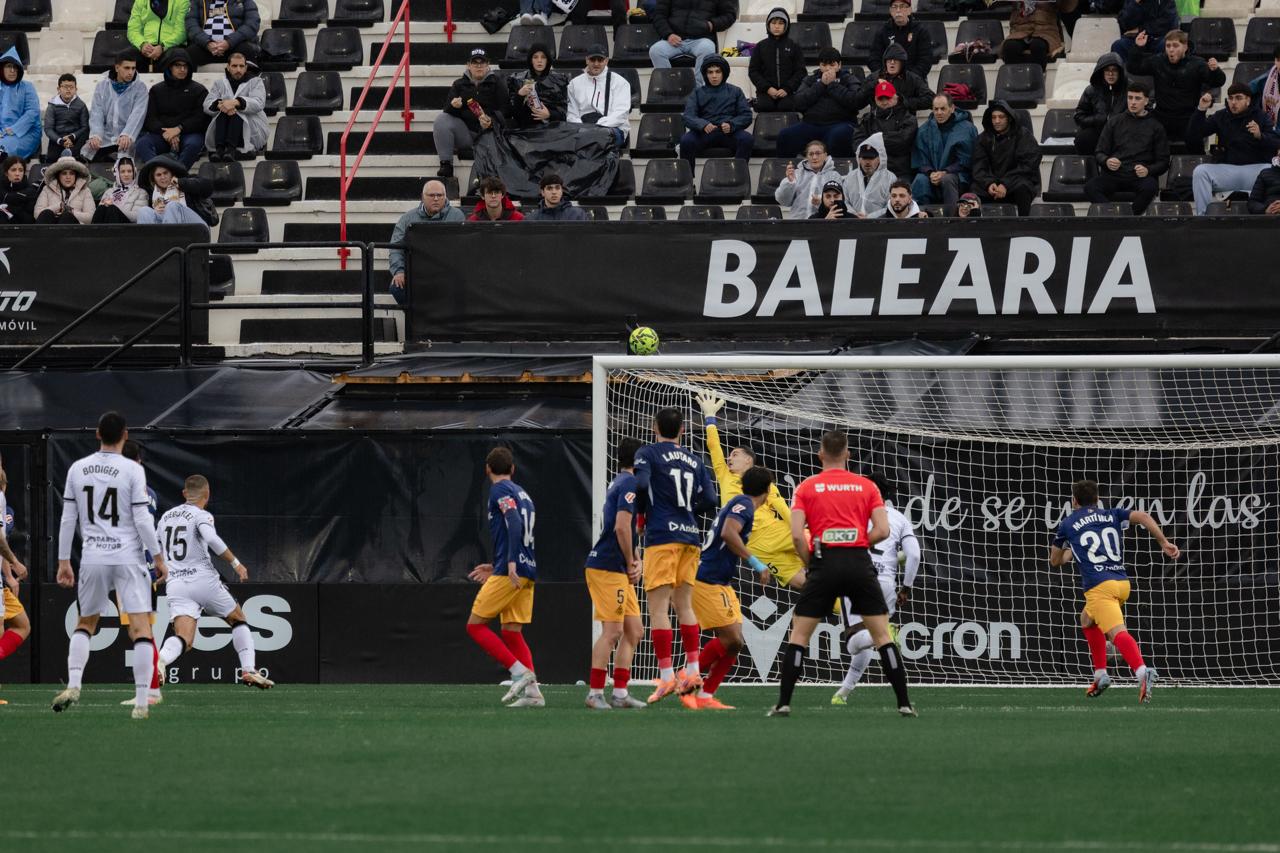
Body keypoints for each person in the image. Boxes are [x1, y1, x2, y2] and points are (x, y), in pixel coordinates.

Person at [769, 430, 914, 717]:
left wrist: (811, 562)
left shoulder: (806, 488)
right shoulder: (867, 487)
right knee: (883, 636)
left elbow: (798, 536)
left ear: (820, 454)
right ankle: (904, 704)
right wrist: (858, 541)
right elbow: (883, 531)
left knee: (799, 635)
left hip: (824, 564)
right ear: (848, 454)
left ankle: (784, 702)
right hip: (859, 564)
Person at [52, 412, 168, 719]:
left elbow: (68, 519)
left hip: (93, 557)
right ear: (125, 435)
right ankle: (143, 701)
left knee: (85, 624)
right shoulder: (132, 469)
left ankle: (74, 684)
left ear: (97, 434)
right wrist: (157, 557)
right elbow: (143, 519)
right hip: (128, 557)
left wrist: (64, 560)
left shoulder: (78, 468)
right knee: (142, 629)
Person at [1049, 479, 1179, 703]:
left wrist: (1070, 549)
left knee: (1117, 633)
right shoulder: (1111, 514)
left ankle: (1142, 672)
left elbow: (1055, 561)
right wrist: (1163, 541)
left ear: (1074, 501)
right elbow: (1144, 517)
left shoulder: (1068, 524)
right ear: (1097, 500)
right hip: (1121, 582)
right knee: (1087, 620)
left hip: (1099, 587)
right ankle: (1100, 674)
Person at [153, 475, 273, 690]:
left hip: (177, 584)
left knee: (184, 639)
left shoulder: (166, 517)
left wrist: (157, 568)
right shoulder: (201, 515)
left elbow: (154, 547)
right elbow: (212, 539)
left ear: (184, 493)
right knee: (237, 619)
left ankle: (160, 661)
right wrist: (236, 563)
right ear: (207, 495)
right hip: (203, 579)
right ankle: (248, 670)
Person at [633, 406, 718, 703]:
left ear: (655, 427)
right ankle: (693, 670)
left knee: (658, 609)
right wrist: (685, 512)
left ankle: (667, 676)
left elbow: (641, 484)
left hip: (662, 537)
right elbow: (710, 498)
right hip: (690, 537)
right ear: (682, 430)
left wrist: (642, 517)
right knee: (684, 605)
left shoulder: (648, 453)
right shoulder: (695, 460)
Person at [680, 466, 775, 711]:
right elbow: (728, 532)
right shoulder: (743, 504)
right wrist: (755, 563)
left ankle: (704, 696)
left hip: (720, 582)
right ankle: (688, 677)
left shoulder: (740, 503)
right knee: (732, 638)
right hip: (707, 580)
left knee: (735, 643)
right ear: (767, 491)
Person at [464, 447, 545, 708]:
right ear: (512, 469)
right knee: (512, 631)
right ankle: (533, 695)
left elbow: (514, 522)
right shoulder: (523, 493)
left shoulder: (499, 490)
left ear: (487, 469)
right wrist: (496, 563)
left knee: (474, 625)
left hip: (512, 572)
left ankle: (519, 672)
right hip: (527, 569)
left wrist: (509, 563)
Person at [697, 393, 804, 589]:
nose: (729, 458)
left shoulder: (763, 481)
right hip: (755, 546)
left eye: (735, 454)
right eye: (729, 455)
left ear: (749, 460)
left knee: (821, 547)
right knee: (805, 585)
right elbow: (714, 447)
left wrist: (797, 530)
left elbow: (782, 508)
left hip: (773, 532)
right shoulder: (725, 476)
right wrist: (710, 417)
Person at [831, 472, 920, 705]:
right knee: (875, 638)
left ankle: (880, 634)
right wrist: (906, 588)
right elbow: (914, 555)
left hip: (856, 578)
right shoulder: (899, 518)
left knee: (854, 642)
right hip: (887, 584)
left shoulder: (850, 514)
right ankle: (843, 693)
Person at [583, 438, 647, 710]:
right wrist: (633, 558)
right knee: (612, 631)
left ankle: (620, 693)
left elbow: (629, 529)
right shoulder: (630, 483)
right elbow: (622, 528)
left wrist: (636, 559)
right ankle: (595, 693)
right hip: (607, 566)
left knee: (634, 631)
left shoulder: (620, 482)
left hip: (616, 568)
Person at [1187, 85, 1280, 216]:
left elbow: (1276, 143)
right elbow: (1193, 135)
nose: (1233, 102)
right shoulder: (1221, 116)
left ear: (1248, 100)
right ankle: (1204, 218)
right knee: (1200, 172)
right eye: (1230, 98)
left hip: (1256, 171)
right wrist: (1201, 109)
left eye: (1238, 98)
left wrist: (1260, 136)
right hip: (1228, 170)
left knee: (1273, 171)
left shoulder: (1261, 116)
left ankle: (1270, 215)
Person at [1127, 30, 1225, 144]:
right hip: (1162, 116)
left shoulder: (1197, 64)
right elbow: (1133, 68)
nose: (1171, 49)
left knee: (1195, 137)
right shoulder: (1158, 61)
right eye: (1168, 46)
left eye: (1175, 45)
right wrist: (1138, 47)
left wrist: (1215, 71)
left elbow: (1218, 82)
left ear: (1185, 47)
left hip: (1188, 117)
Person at [1085, 81, 1168, 215]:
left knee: (1151, 187)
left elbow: (1164, 162)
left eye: (1137, 98)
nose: (1133, 102)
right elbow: (1099, 152)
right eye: (1130, 98)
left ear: (1146, 101)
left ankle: (1129, 217)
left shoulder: (1156, 126)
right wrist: (1107, 161)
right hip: (1115, 174)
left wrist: (1148, 170)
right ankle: (1113, 215)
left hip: (1139, 176)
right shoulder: (1114, 121)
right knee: (1090, 187)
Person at [435, 48, 508, 179]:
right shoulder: (458, 84)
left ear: (488, 65)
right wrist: (454, 106)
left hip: (490, 134)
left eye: (482, 62)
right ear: (468, 65)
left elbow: (506, 111)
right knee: (442, 119)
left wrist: (491, 121)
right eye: (475, 63)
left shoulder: (497, 83)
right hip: (467, 134)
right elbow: (447, 111)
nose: (479, 66)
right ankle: (446, 164)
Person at [388, 180, 463, 304]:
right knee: (397, 288)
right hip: (417, 274)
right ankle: (420, 321)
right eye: (431, 195)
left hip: (447, 273)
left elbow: (462, 248)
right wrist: (399, 271)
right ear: (422, 197)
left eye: (440, 195)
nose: (436, 199)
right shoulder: (407, 218)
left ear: (445, 197)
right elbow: (396, 247)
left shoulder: (457, 216)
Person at [133, 49, 209, 169]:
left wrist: (179, 129)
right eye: (178, 65)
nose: (182, 69)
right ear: (170, 67)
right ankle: (157, 173)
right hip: (163, 134)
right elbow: (150, 118)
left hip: (188, 134)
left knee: (194, 145)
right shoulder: (156, 90)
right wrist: (166, 133)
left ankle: (177, 176)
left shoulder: (199, 90)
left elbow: (201, 118)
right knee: (143, 143)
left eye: (185, 66)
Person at [678, 55, 752, 171]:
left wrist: (732, 124)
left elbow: (746, 115)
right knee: (686, 141)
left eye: (718, 72)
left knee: (746, 139)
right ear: (705, 74)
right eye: (710, 72)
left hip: (728, 133)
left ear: (724, 73)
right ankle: (688, 183)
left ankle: (738, 178)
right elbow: (688, 116)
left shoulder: (736, 91)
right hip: (704, 133)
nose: (714, 76)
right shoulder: (697, 93)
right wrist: (703, 125)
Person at [970, 100, 1041, 216]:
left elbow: (1028, 165)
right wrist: (989, 184)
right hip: (992, 186)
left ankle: (1024, 226)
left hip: (1015, 182)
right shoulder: (983, 139)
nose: (997, 121)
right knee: (973, 190)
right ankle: (978, 228)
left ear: (1009, 117)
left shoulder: (1023, 135)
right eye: (993, 117)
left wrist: (1006, 184)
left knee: (1023, 187)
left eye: (1001, 117)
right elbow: (979, 166)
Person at [911, 93, 977, 207]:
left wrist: (945, 172)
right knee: (920, 180)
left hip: (957, 177)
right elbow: (920, 159)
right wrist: (930, 173)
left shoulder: (966, 129)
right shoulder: (924, 130)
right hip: (932, 176)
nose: (939, 113)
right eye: (936, 109)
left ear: (952, 109)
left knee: (947, 180)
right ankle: (921, 220)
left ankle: (951, 220)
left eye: (943, 109)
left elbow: (967, 160)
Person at [648, 0, 737, 85]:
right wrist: (668, 34)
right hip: (673, 39)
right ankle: (669, 89)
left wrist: (711, 25)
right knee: (656, 51)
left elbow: (730, 15)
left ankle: (699, 90)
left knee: (707, 49)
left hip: (701, 39)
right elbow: (659, 15)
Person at [83, 50, 149, 163]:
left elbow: (138, 115)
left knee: (125, 163)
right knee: (87, 155)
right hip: (105, 136)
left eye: (133, 68)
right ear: (117, 68)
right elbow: (96, 113)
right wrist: (96, 135)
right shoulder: (102, 86)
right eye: (127, 68)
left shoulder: (140, 88)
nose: (131, 72)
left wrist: (127, 134)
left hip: (130, 137)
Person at [202, 49, 267, 162]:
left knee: (236, 111)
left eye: (241, 66)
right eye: (234, 66)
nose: (238, 69)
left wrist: (236, 102)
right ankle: (220, 149)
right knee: (224, 110)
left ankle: (230, 150)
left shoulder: (256, 81)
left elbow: (259, 103)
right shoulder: (219, 83)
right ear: (228, 67)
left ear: (246, 67)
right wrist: (221, 105)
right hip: (224, 125)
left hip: (251, 129)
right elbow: (207, 105)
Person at [565, 46, 632, 150]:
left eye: (600, 60)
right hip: (582, 129)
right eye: (592, 60)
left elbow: (621, 114)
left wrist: (597, 127)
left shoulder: (620, 82)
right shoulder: (574, 84)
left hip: (612, 129)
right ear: (587, 60)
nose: (596, 64)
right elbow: (571, 114)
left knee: (595, 140)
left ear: (606, 61)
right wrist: (584, 128)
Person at [848, 80, 916, 179]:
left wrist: (874, 140)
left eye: (888, 98)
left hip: (900, 171)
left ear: (895, 97)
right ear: (875, 99)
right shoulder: (868, 119)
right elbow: (858, 141)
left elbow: (903, 140)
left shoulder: (908, 118)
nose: (884, 102)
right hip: (872, 171)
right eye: (881, 98)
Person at [0, 464, 30, 670]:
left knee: (22, 625)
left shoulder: (6, 508)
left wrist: (8, 576)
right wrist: (15, 562)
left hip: (1, 581)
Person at [136, 154, 218, 229]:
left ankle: (169, 241)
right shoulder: (152, 193)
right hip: (169, 229)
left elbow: (208, 187)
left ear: (172, 173)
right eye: (158, 175)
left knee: (172, 206)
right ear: (153, 178)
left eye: (165, 173)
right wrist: (156, 211)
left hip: (198, 228)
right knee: (143, 211)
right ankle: (151, 244)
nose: (163, 177)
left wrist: (181, 182)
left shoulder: (186, 181)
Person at [748, 8, 806, 113]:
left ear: (786, 25)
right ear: (768, 24)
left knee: (786, 106)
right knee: (764, 106)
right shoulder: (760, 46)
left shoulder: (794, 46)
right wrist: (767, 88)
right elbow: (753, 71)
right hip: (765, 92)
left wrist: (787, 89)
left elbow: (800, 71)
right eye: (773, 22)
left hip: (787, 92)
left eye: (780, 23)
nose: (777, 26)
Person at [1073, 53, 1127, 156]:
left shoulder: (1130, 88)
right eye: (1107, 70)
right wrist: (1098, 119)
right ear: (1101, 71)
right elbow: (1079, 116)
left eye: (1114, 70)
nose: (1110, 74)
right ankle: (1089, 169)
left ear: (1120, 72)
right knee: (1083, 138)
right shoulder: (1091, 90)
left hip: (1122, 131)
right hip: (1098, 130)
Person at [855, 44, 934, 114]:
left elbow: (931, 99)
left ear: (902, 63)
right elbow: (857, 100)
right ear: (885, 62)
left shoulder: (912, 78)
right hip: (878, 122)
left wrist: (903, 102)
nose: (892, 62)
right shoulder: (874, 77)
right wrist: (873, 85)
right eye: (889, 59)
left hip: (904, 122)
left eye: (896, 59)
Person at [869, 0, 935, 80]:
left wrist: (908, 79)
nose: (898, 10)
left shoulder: (920, 31)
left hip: (914, 81)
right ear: (890, 11)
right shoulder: (882, 31)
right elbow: (874, 59)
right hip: (887, 80)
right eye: (895, 7)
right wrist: (885, 76)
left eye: (902, 6)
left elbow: (925, 61)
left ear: (909, 10)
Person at [774, 138, 840, 219]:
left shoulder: (834, 176)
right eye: (811, 154)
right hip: (798, 223)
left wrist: (822, 201)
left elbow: (840, 202)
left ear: (825, 155)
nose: (814, 157)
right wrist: (790, 182)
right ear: (806, 157)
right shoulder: (797, 174)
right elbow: (783, 201)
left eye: (818, 153)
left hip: (824, 223)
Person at [1002, 0, 1077, 69]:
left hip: (1047, 31)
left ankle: (1038, 81)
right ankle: (1016, 81)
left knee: (1038, 46)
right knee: (1010, 47)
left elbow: (1067, 8)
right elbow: (993, 5)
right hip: (1019, 30)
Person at [507, 45, 568, 129]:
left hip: (552, 130)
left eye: (543, 57)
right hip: (525, 130)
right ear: (531, 60)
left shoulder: (559, 80)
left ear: (548, 60)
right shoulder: (518, 79)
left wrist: (549, 114)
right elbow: (513, 113)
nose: (539, 61)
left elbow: (565, 112)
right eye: (535, 57)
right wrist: (519, 95)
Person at [185, 0, 261, 67]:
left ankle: (251, 82)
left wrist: (229, 42)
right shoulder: (198, 1)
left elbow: (252, 24)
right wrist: (207, 42)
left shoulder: (244, 1)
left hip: (235, 45)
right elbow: (191, 25)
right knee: (188, 54)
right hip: (206, 47)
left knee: (247, 50)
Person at [128, 0, 191, 73]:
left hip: (171, 46)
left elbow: (181, 32)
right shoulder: (140, 1)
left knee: (172, 57)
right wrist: (142, 44)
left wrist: (163, 46)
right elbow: (133, 29)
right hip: (146, 46)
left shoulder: (182, 2)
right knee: (127, 56)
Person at [0, 48, 40, 160]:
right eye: (8, 66)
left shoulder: (27, 87)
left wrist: (14, 129)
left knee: (5, 147)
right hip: (2, 133)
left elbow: (32, 113)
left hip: (25, 133)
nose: (12, 70)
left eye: (15, 67)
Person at [843, 135, 896, 218]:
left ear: (879, 159)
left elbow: (891, 205)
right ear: (859, 159)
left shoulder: (890, 178)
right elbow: (844, 201)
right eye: (864, 158)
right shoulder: (850, 177)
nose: (867, 162)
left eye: (871, 158)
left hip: (879, 225)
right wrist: (854, 215)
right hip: (852, 223)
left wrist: (870, 217)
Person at [43, 74, 90, 163]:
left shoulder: (81, 105)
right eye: (65, 87)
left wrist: (72, 136)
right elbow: (48, 128)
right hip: (57, 139)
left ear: (76, 89)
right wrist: (61, 140)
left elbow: (85, 127)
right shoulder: (52, 106)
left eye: (71, 87)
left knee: (86, 133)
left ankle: (72, 154)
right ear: (58, 89)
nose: (68, 90)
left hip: (76, 139)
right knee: (52, 160)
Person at [34, 156, 95, 224]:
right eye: (64, 173)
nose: (68, 177)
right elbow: (37, 214)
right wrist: (58, 207)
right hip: (51, 229)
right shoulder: (46, 189)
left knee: (67, 216)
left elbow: (91, 217)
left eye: (71, 173)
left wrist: (71, 211)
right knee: (46, 213)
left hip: (74, 231)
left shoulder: (85, 190)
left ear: (76, 176)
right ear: (58, 175)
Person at [1111, 0, 1177, 63]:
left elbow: (1167, 22)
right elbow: (1124, 22)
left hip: (1157, 38)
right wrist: (1135, 3)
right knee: (1118, 45)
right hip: (1135, 39)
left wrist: (1140, 29)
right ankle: (1125, 73)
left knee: (1166, 45)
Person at [91, 155, 149, 223]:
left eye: (129, 171)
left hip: (128, 228)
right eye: (122, 172)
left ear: (134, 173)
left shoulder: (141, 193)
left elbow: (137, 216)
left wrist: (114, 207)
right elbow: (100, 213)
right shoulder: (109, 192)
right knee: (101, 208)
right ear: (117, 173)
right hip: (107, 225)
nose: (126, 174)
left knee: (111, 209)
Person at [523, 172, 588, 221]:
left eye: (557, 188)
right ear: (542, 192)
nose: (554, 192)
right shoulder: (532, 219)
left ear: (562, 191)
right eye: (549, 188)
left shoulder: (578, 215)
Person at [1247, 46, 1280, 137]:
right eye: (1278, 60)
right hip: (1270, 134)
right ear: (1275, 61)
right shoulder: (1266, 79)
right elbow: (1245, 91)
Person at [0, 155, 35, 223]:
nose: (17, 174)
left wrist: (10, 208)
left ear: (24, 173)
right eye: (13, 170)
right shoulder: (1, 189)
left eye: (21, 170)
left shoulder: (31, 192)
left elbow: (30, 220)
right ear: (6, 173)